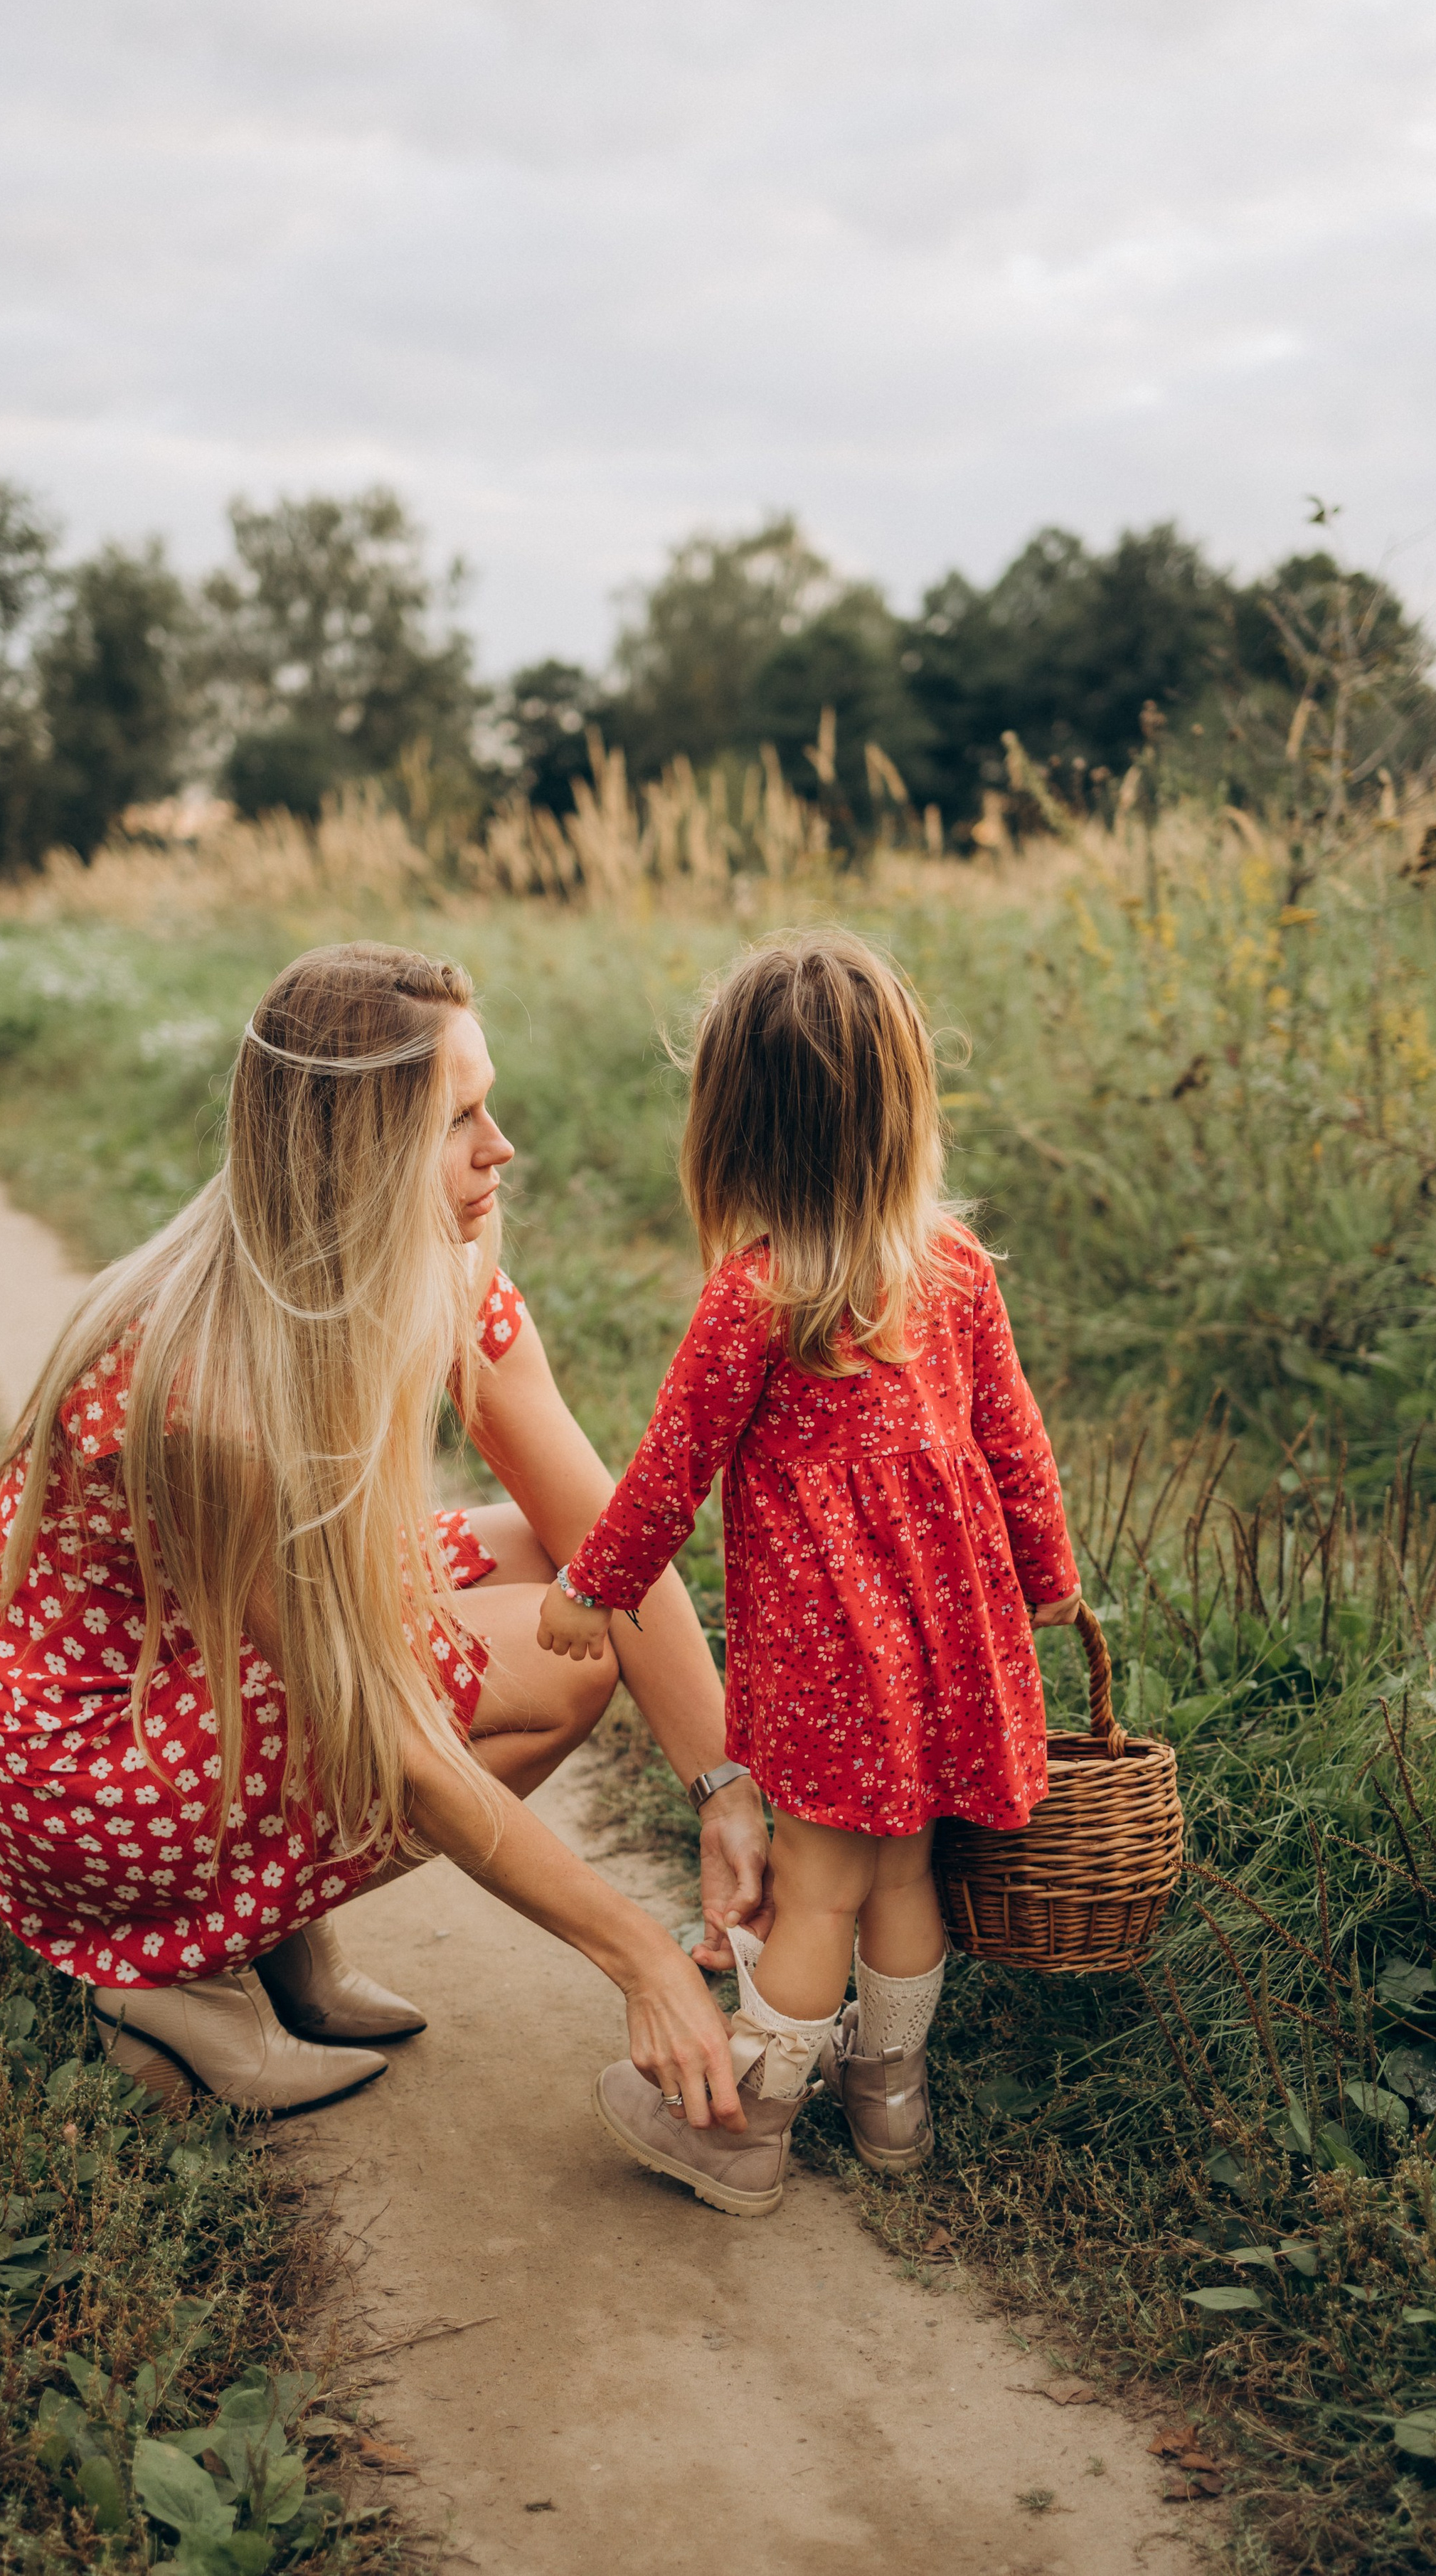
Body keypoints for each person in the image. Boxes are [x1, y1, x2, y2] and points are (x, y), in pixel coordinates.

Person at [0, 942, 769, 2121]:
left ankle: (266, 1926)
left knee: (562, 1575)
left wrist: (724, 1791)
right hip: (88, 1769)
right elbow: (386, 1731)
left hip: (195, 1670)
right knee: (549, 1670)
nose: (502, 1150)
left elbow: (610, 1546)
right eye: (461, 1121)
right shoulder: (204, 1387)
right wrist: (637, 1951)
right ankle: (176, 1968)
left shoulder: (435, 1264)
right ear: (355, 1152)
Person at [538, 930, 1081, 2215]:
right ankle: (890, 2102)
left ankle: (749, 2120)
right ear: (903, 1110)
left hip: (836, 1661)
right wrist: (1047, 1575)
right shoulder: (954, 1270)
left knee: (819, 1893)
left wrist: (593, 1589)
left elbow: (668, 1471)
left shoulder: (756, 1297)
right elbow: (1017, 1441)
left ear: (740, 1128)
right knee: (904, 1878)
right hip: (951, 1644)